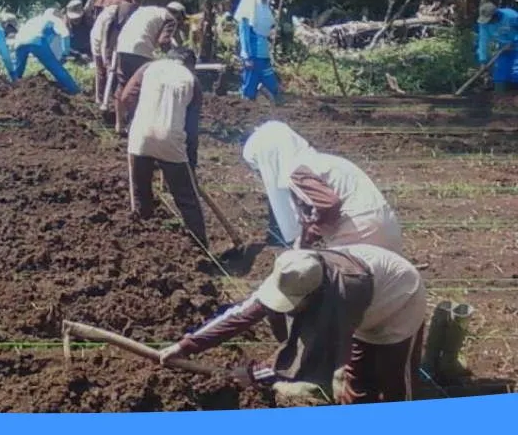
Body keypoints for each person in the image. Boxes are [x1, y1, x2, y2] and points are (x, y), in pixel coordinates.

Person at [159, 244, 427, 406]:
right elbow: (241, 314)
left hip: (399, 301)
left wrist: (253, 375)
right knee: (359, 378)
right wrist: (185, 346)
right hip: (367, 300)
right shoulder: (295, 272)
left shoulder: (340, 298)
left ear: (314, 296)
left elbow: (306, 358)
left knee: (394, 381)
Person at [243, 121, 403, 253]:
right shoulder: (320, 161)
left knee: (336, 284)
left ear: (269, 160)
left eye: (259, 169)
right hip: (387, 227)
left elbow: (328, 204)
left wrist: (309, 236)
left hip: (360, 232)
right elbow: (319, 208)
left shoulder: (296, 173)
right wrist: (303, 242)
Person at [116, 47, 207, 248]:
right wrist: (190, 165)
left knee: (141, 192)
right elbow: (191, 131)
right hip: (171, 141)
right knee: (187, 198)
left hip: (140, 136)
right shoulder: (192, 80)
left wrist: (139, 117)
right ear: (190, 65)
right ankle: (199, 247)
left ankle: (145, 242)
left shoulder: (148, 67)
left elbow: (125, 97)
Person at [113, 2, 186, 128]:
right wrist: (174, 57)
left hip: (123, 46)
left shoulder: (146, 9)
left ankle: (119, 124)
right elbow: (163, 42)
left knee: (122, 84)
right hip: (141, 49)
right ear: (178, 16)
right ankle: (134, 124)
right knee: (139, 89)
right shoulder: (170, 19)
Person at [234, 0, 283, 104]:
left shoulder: (263, 8)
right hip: (253, 56)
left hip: (263, 54)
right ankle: (247, 107)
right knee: (249, 85)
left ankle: (275, 98)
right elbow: (244, 36)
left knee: (270, 80)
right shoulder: (246, 13)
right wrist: (247, 56)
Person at [11, 9, 81, 95]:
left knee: (18, 69)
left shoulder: (34, 19)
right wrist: (65, 54)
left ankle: (11, 86)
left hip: (19, 42)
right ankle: (75, 91)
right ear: (57, 15)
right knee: (56, 68)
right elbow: (65, 34)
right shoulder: (54, 19)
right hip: (37, 41)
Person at [90, 0, 139, 106]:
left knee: (114, 71)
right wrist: (106, 60)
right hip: (99, 39)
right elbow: (105, 41)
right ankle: (99, 99)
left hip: (115, 40)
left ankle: (112, 99)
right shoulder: (110, 17)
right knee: (101, 70)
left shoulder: (128, 11)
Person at [475, 2, 518, 93]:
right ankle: (500, 100)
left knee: (516, 73)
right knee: (500, 75)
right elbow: (483, 41)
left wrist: (514, 42)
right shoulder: (484, 24)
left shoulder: (512, 16)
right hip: (502, 50)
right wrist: (483, 61)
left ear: (496, 15)